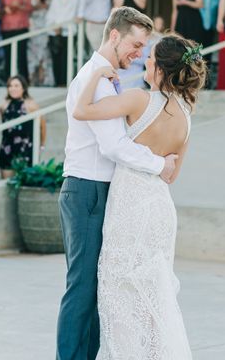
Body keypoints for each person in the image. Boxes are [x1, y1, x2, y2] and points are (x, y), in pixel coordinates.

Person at [72, 32, 206, 358]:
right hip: (160, 208)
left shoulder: (138, 99)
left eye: (151, 57)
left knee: (118, 292)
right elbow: (172, 174)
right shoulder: (186, 116)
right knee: (154, 295)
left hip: (130, 206)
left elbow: (81, 110)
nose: (145, 59)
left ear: (160, 69)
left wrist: (95, 74)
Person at [55, 7, 179, 359]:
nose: (139, 55)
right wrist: (160, 165)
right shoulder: (97, 79)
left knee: (98, 287)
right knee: (82, 288)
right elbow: (113, 146)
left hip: (99, 190)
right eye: (136, 45)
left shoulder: (106, 78)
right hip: (87, 189)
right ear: (114, 35)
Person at [0, 75, 45, 178]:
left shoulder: (31, 105)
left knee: (24, 183)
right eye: (10, 86)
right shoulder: (4, 105)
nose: (13, 88)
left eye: (16, 85)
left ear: (23, 88)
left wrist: (42, 144)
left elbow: (42, 126)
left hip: (25, 148)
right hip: (7, 148)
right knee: (6, 183)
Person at [0, 0, 32, 83]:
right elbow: (0, 8)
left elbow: (29, 7)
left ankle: (24, 80)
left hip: (21, 26)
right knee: (8, 54)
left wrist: (18, 6)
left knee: (21, 54)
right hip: (6, 27)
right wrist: (5, 9)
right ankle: (8, 79)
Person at [46, 0, 79, 86]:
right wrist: (54, 26)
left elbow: (76, 16)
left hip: (69, 32)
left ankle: (65, 82)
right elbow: (51, 14)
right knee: (56, 58)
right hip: (55, 32)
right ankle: (57, 82)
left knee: (67, 58)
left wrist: (63, 25)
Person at [28, 0, 54, 86]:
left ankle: (45, 81)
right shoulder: (29, 1)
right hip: (32, 33)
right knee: (32, 58)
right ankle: (32, 81)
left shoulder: (48, 1)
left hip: (45, 33)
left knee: (44, 57)